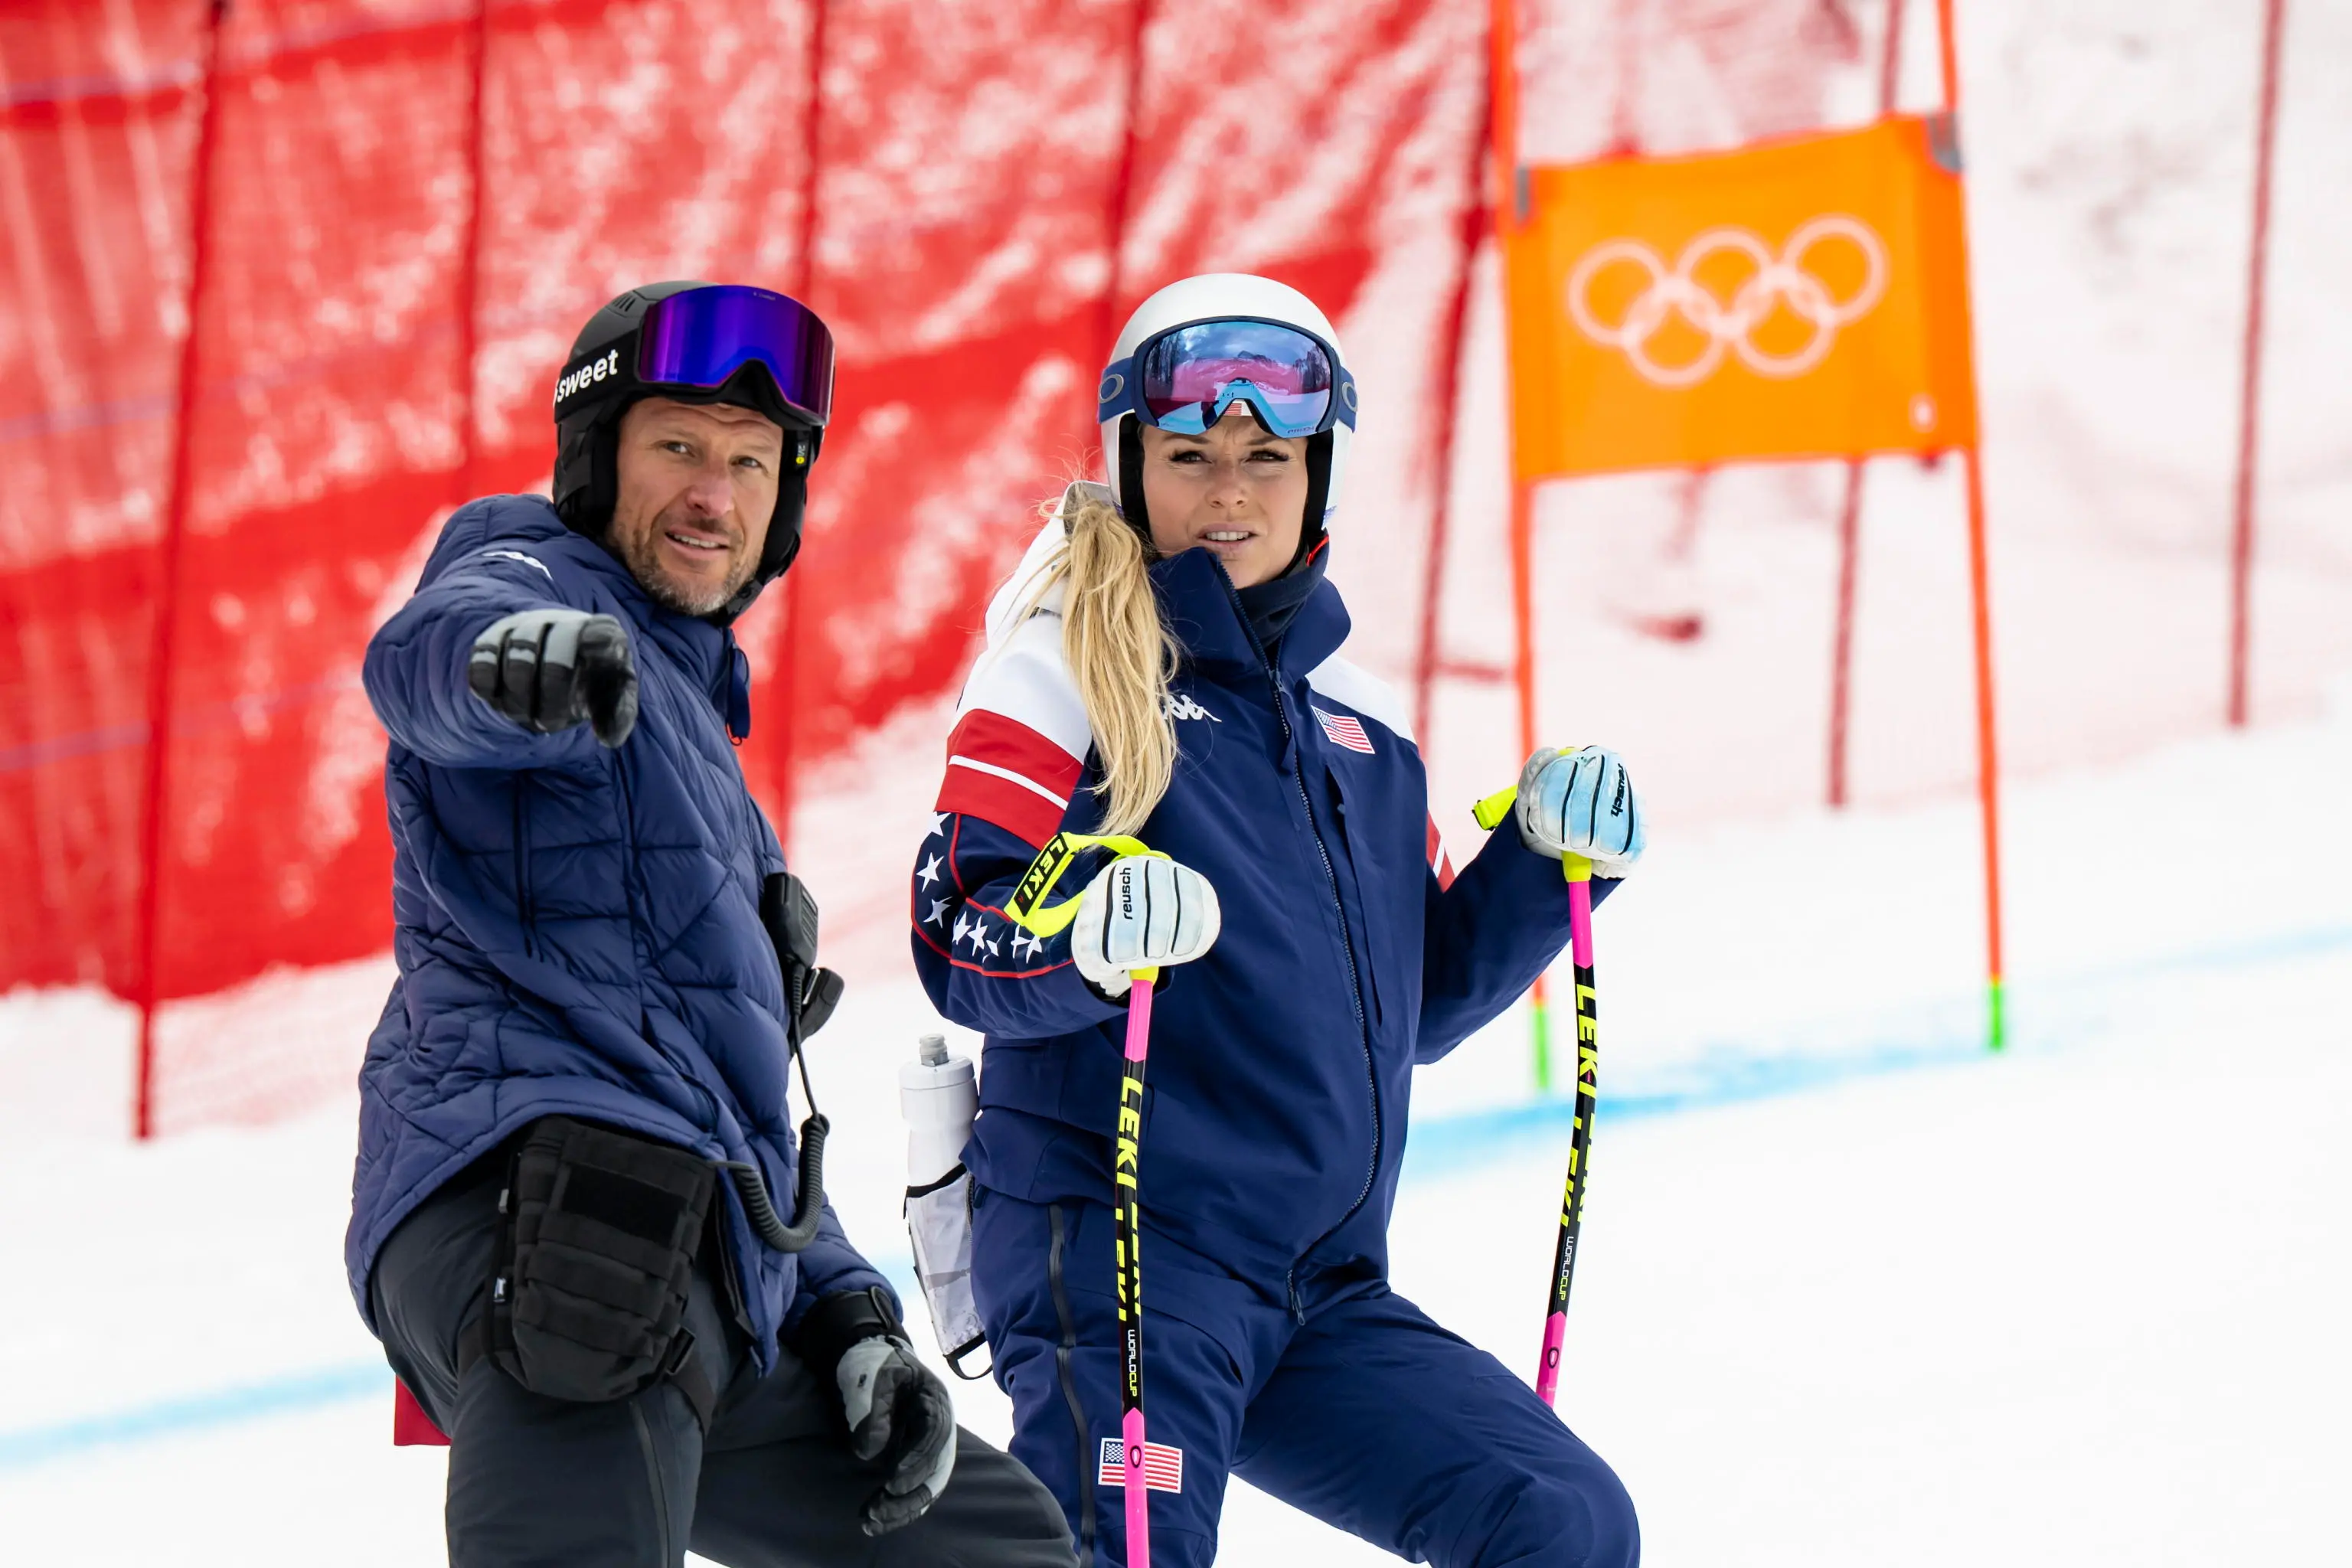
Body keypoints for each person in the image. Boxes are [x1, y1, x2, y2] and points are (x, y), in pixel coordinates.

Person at [910, 274, 1647, 1568]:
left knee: (1562, 1520)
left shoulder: (1361, 727)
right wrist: (1081, 927)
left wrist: (1541, 866)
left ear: (1321, 481)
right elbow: (957, 931)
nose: (1230, 492)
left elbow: (1408, 1011)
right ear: (1133, 469)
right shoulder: (1062, 669)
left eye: (1267, 459)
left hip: (1320, 1289)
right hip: (1125, 1260)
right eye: (1190, 458)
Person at [349, 280, 1075, 1568]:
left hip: (701, 1260)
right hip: (551, 1204)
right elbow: (430, 657)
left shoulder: (707, 765)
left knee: (998, 1544)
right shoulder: (530, 567)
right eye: (677, 446)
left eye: (751, 464)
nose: (714, 494)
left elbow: (735, 1107)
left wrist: (853, 1317)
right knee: (618, 1293)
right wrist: (515, 661)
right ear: (596, 456)